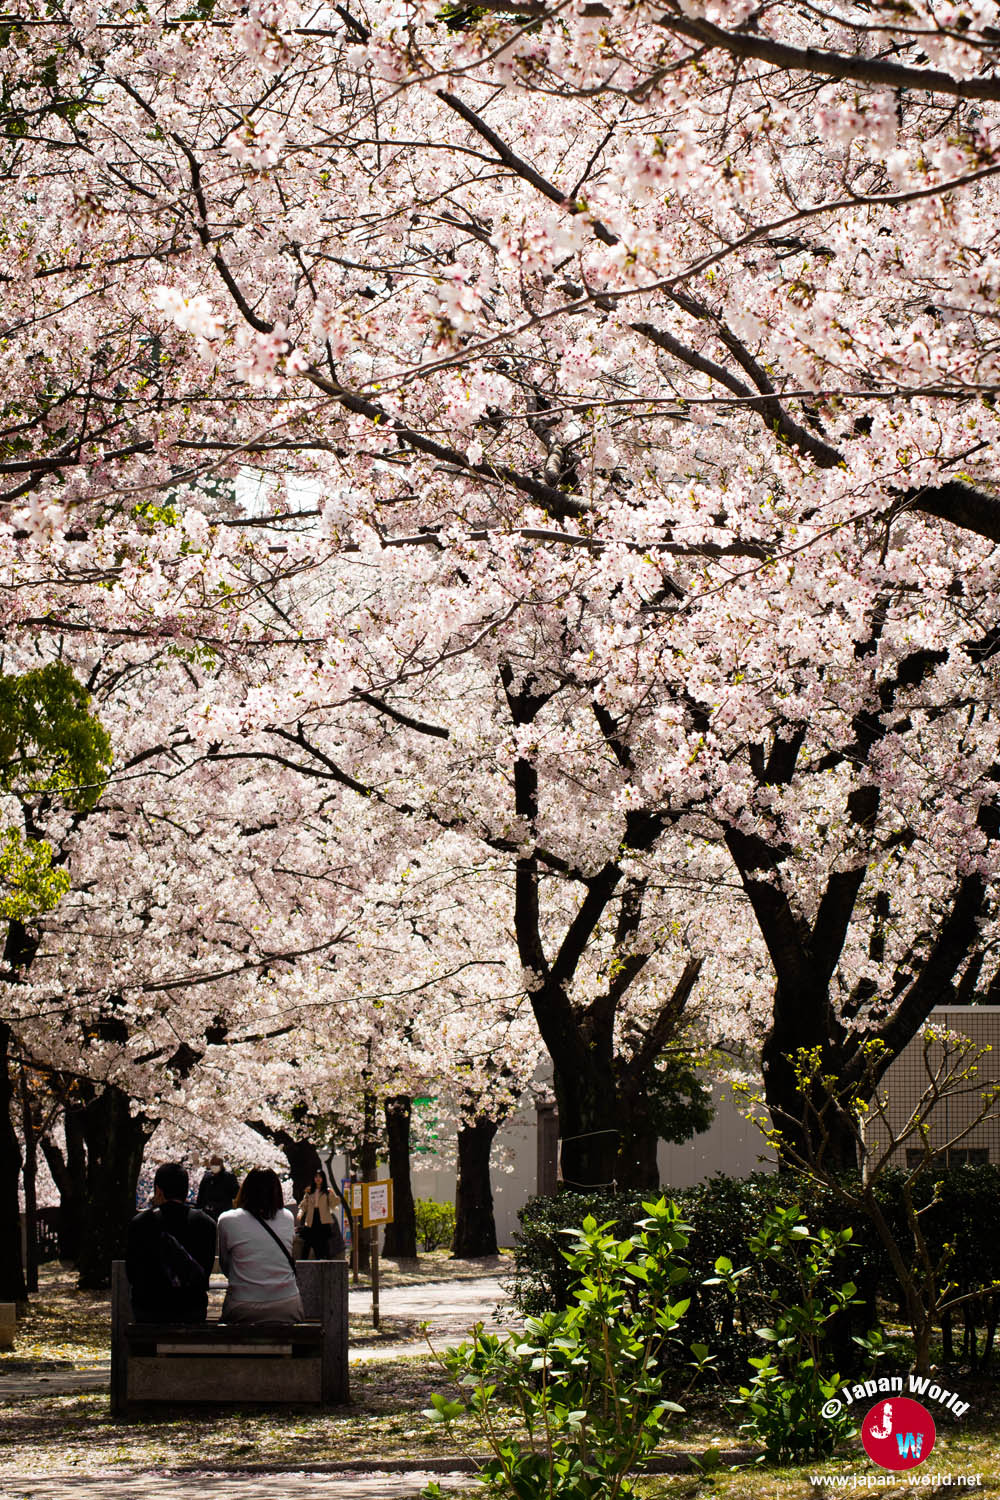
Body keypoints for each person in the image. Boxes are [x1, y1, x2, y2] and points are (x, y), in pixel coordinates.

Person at [125, 1161, 217, 1324]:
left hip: (149, 1312)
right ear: (186, 1190)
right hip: (191, 1311)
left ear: (158, 1191)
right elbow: (205, 1271)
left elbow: (132, 1273)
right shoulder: (206, 1223)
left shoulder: (140, 1223)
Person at [217, 1166, 303, 1323]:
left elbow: (226, 1265)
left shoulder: (227, 1220)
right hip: (288, 1305)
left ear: (245, 1190)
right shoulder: (287, 1217)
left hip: (242, 1306)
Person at [296, 1168, 344, 1259]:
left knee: (323, 1242)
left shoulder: (327, 1191)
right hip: (311, 1218)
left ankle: (323, 1259)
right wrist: (300, 1213)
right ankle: (303, 1261)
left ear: (323, 1179)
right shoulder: (309, 1191)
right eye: (316, 1177)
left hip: (323, 1219)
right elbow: (304, 1204)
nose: (318, 1179)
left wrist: (334, 1195)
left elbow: (333, 1204)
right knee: (307, 1242)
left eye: (320, 1177)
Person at [195, 1155, 240, 1220]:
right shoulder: (207, 1177)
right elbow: (200, 1195)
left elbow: (235, 1194)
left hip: (223, 1213)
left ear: (221, 1164)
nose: (214, 1166)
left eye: (216, 1164)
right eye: (212, 1163)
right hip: (206, 1213)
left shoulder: (229, 1177)